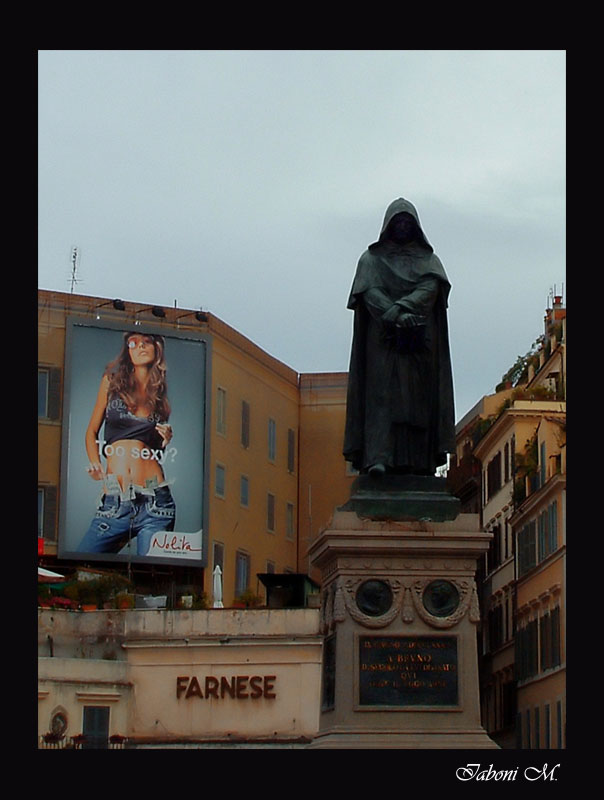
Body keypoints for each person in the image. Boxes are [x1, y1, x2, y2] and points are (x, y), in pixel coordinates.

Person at [343, 197, 455, 478]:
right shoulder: (371, 260)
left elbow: (430, 289)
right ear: (388, 225)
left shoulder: (430, 261)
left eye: (407, 221)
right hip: (382, 341)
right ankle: (378, 457)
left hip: (419, 342)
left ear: (415, 226)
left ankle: (419, 462)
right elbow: (369, 293)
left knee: (417, 400)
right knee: (381, 396)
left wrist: (402, 308)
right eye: (398, 221)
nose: (403, 226)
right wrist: (393, 315)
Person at [77, 331, 176, 555]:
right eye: (133, 343)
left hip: (155, 503)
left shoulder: (159, 396)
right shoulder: (111, 383)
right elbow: (91, 431)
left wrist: (166, 440)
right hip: (115, 503)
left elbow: (154, 451)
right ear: (127, 349)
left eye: (146, 342)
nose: (140, 347)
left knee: (150, 576)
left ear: (156, 349)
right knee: (81, 562)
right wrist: (95, 464)